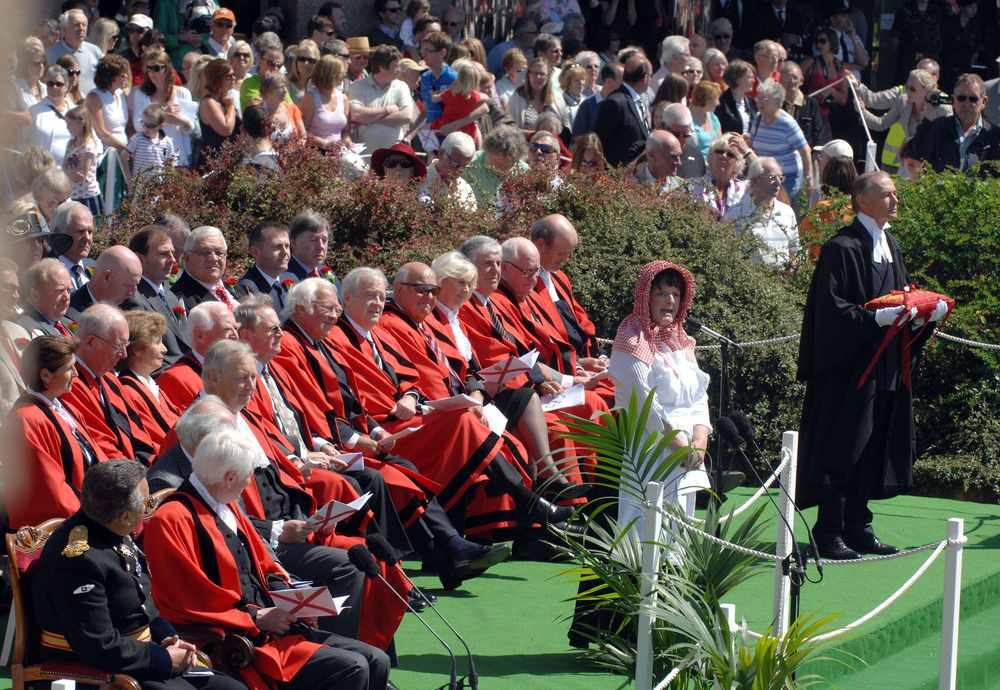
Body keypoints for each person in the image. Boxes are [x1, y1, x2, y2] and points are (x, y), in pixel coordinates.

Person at [143, 428, 394, 690]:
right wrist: (255, 616)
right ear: (229, 478)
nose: (249, 483)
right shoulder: (171, 520)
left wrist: (292, 601)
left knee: (377, 660)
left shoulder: (224, 504)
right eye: (247, 476)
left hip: (273, 625)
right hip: (234, 636)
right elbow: (187, 598)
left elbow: (263, 564)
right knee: (352, 668)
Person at [797, 171, 947, 560]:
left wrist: (921, 314)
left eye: (896, 193)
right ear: (862, 200)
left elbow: (902, 294)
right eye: (887, 194)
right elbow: (830, 311)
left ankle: (858, 525)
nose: (895, 200)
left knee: (873, 444)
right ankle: (828, 531)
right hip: (848, 370)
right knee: (844, 446)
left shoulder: (890, 244)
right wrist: (874, 320)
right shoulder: (840, 248)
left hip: (885, 367)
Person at [31, 460, 250, 690]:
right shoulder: (79, 560)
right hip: (103, 671)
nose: (147, 509)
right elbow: (98, 645)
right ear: (125, 517)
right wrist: (163, 659)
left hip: (140, 654)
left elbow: (140, 602)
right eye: (145, 504)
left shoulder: (110, 526)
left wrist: (168, 637)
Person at [608, 260, 711, 534]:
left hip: (688, 452)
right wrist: (679, 445)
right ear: (645, 296)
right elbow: (644, 402)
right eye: (661, 293)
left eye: (676, 295)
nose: (670, 301)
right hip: (653, 449)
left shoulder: (682, 340)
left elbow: (699, 396)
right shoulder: (631, 340)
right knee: (646, 526)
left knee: (681, 527)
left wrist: (700, 441)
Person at [5, 336, 106, 529]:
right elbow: (51, 490)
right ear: (45, 375)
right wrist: (96, 519)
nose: (76, 374)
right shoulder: (26, 421)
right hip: (65, 527)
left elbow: (95, 456)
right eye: (70, 368)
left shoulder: (63, 408)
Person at [61, 304, 156, 463]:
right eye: (119, 346)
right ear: (91, 341)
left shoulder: (110, 379)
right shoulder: (71, 384)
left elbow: (138, 431)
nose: (124, 355)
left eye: (126, 346)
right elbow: (101, 442)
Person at [123, 225, 192, 365]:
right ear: (140, 259)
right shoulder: (133, 299)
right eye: (163, 254)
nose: (173, 260)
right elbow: (145, 359)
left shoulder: (171, 296)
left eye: (173, 253)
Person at [908, 73, 1000, 173]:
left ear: (984, 102)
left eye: (973, 99)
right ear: (953, 100)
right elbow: (915, 154)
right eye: (961, 98)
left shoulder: (993, 135)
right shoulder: (938, 127)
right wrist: (927, 122)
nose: (966, 103)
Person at [156, 302, 238, 411]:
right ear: (200, 335)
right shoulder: (176, 379)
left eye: (236, 329)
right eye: (227, 330)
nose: (236, 336)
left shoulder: (236, 369)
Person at [118, 309, 181, 448]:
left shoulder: (150, 384)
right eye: (157, 342)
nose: (164, 349)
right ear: (137, 349)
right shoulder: (129, 392)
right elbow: (157, 438)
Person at [147, 395, 236, 492]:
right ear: (202, 440)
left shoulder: (216, 463)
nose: (235, 444)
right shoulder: (163, 483)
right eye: (227, 438)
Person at [723, 156, 799, 267]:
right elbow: (727, 254)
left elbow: (794, 250)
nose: (778, 183)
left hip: (782, 281)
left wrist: (792, 267)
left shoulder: (787, 212)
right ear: (755, 180)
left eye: (780, 178)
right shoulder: (736, 214)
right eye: (772, 178)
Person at [129, 49, 196, 167]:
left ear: (167, 69)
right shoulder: (141, 94)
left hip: (178, 159)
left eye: (156, 68)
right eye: (148, 69)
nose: (151, 73)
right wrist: (163, 114)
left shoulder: (183, 93)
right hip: (150, 160)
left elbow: (190, 129)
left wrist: (180, 120)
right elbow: (138, 126)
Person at [749, 78, 812, 197]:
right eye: (758, 98)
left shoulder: (787, 123)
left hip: (786, 178)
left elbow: (805, 150)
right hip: (763, 177)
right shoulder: (758, 118)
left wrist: (807, 178)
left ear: (777, 103)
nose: (759, 102)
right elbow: (752, 141)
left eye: (764, 99)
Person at [348, 45, 415, 153]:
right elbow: (356, 115)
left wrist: (369, 119)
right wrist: (386, 110)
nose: (400, 70)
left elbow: (406, 116)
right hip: (365, 156)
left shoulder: (401, 86)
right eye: (396, 66)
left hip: (393, 157)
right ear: (382, 67)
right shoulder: (357, 86)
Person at [594, 53, 650, 166]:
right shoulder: (615, 103)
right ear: (645, 78)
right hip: (617, 176)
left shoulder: (639, 101)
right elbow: (599, 141)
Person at [462, 124, 529, 209]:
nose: (498, 171)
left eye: (504, 167)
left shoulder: (525, 173)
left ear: (516, 159)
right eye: (493, 166)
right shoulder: (468, 165)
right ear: (487, 151)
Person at [66, 245, 142, 319]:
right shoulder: (69, 313)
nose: (133, 294)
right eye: (128, 285)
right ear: (107, 277)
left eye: (136, 285)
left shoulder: (131, 311)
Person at [172, 226, 237, 311]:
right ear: (187, 258)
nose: (214, 258)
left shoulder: (239, 290)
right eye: (205, 252)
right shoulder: (178, 300)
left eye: (219, 252)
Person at [690, 133, 750, 219]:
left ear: (738, 164)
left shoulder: (743, 190)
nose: (723, 156)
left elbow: (769, 178)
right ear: (710, 157)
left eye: (730, 154)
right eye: (719, 151)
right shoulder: (694, 185)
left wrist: (747, 152)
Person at [234, 222, 292, 310]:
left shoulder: (288, 282)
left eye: (287, 246)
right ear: (255, 252)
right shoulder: (246, 290)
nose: (285, 252)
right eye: (277, 246)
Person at [300, 55, 352, 153]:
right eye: (340, 74)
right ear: (329, 75)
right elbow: (302, 131)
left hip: (339, 153)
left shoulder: (343, 98)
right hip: (315, 154)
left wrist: (347, 140)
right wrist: (323, 143)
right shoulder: (311, 97)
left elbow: (346, 131)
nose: (343, 77)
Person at [46, 9, 103, 94]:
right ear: (64, 29)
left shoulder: (95, 51)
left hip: (90, 103)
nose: (81, 28)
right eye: (76, 25)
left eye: (84, 25)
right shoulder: (50, 54)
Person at [196, 59, 241, 168]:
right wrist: (231, 107)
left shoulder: (225, 101)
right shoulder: (208, 103)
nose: (233, 78)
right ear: (217, 79)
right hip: (214, 164)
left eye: (233, 75)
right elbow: (226, 129)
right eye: (228, 76)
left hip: (230, 161)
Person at [14, 259, 74, 339]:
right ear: (35, 294)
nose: (66, 297)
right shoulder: (24, 328)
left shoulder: (70, 323)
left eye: (69, 290)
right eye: (60, 290)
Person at [26, 66, 73, 166]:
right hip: (39, 170)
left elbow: (89, 138)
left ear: (67, 86)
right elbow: (23, 140)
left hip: (68, 172)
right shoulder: (33, 111)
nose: (54, 87)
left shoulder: (75, 111)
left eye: (59, 84)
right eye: (50, 84)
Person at [419, 131, 478, 211]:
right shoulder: (420, 180)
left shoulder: (465, 188)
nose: (460, 170)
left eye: (465, 167)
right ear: (441, 154)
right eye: (455, 164)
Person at [506, 57, 566, 133]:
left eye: (542, 74)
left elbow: (565, 127)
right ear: (528, 75)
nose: (538, 77)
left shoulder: (557, 98)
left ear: (548, 77)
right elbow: (509, 128)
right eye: (535, 73)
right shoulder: (517, 97)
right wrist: (534, 134)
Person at [85, 54, 130, 154]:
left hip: (123, 153)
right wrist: (126, 149)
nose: (126, 77)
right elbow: (102, 133)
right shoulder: (94, 97)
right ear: (110, 77)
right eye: (122, 75)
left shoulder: (120, 94)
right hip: (105, 153)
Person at [63, 105, 104, 216]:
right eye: (67, 124)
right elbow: (64, 166)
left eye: (70, 124)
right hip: (72, 195)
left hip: (87, 196)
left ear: (82, 123)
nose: (68, 127)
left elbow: (80, 177)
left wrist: (66, 172)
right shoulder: (70, 143)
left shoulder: (88, 147)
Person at [123, 104, 178, 181]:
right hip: (139, 187)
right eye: (144, 123)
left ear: (161, 125)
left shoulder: (167, 142)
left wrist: (169, 179)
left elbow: (171, 162)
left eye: (150, 125)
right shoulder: (137, 139)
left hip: (158, 187)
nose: (146, 128)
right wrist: (128, 178)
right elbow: (124, 156)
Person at [779, 61, 826, 149]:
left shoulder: (811, 104)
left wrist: (816, 153)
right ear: (779, 80)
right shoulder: (775, 102)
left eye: (795, 77)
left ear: (802, 81)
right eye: (787, 77)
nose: (791, 81)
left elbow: (818, 133)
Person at [571, 62, 623, 140]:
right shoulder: (587, 105)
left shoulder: (624, 104)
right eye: (622, 80)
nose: (625, 85)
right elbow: (578, 137)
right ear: (609, 82)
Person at [52, 200, 95, 291]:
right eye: (80, 231)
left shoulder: (95, 268)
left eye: (90, 232)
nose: (87, 238)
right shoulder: (46, 271)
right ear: (58, 233)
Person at [286, 210, 334, 283]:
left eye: (324, 240)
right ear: (293, 243)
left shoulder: (328, 274)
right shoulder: (284, 277)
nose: (321, 246)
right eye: (313, 240)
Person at [715, 59, 756, 134]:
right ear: (736, 78)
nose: (753, 80)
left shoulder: (751, 102)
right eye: (750, 77)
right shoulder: (720, 103)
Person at [689, 81, 722, 160]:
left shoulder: (713, 117)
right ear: (706, 99)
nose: (718, 103)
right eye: (716, 99)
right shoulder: (687, 120)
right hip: (695, 165)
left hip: (713, 164)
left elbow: (720, 142)